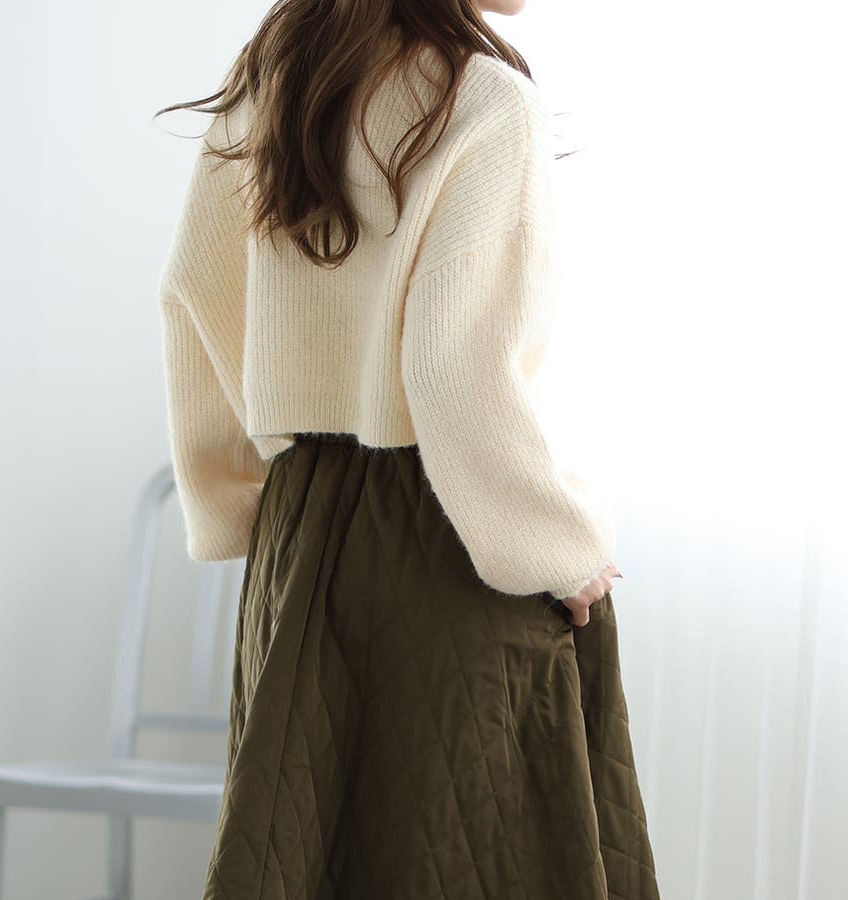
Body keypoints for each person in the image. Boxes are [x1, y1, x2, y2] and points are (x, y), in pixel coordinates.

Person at [154, 3, 661, 898]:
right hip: (444, 549)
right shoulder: (484, 100)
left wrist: (241, 495)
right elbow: (454, 371)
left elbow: (194, 290)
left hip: (299, 540)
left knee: (307, 854)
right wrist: (559, 548)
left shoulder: (277, 77)